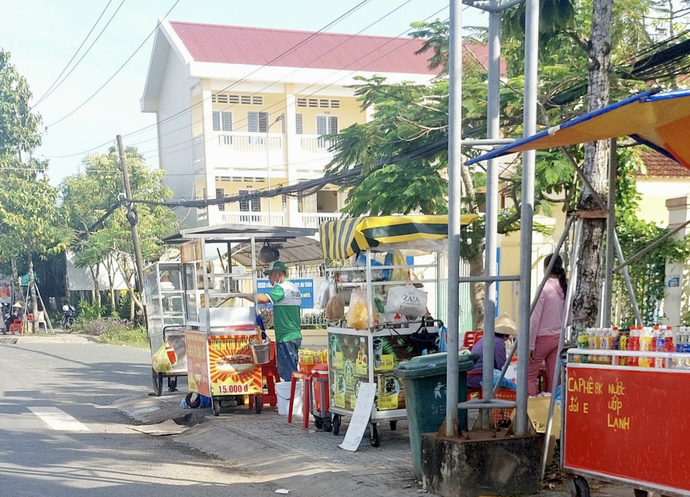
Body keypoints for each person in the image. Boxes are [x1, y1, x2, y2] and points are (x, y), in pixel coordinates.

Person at [244, 260, 302, 381]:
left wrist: (242, 294)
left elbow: (263, 299)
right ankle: (292, 396)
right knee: (292, 370)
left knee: (288, 372)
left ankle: (291, 398)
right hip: (294, 335)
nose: (269, 279)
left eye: (270, 275)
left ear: (278, 274)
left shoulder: (282, 288)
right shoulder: (294, 288)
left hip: (286, 336)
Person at [529, 253, 567, 396]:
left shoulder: (544, 288)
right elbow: (569, 319)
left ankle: (529, 413)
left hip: (541, 338)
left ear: (545, 268)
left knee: (529, 376)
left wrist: (530, 345)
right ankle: (552, 413)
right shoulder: (565, 288)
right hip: (557, 337)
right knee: (554, 379)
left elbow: (534, 319)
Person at [467, 313, 517, 389]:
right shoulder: (499, 342)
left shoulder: (486, 338)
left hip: (471, 375)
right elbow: (502, 365)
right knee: (513, 385)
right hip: (480, 376)